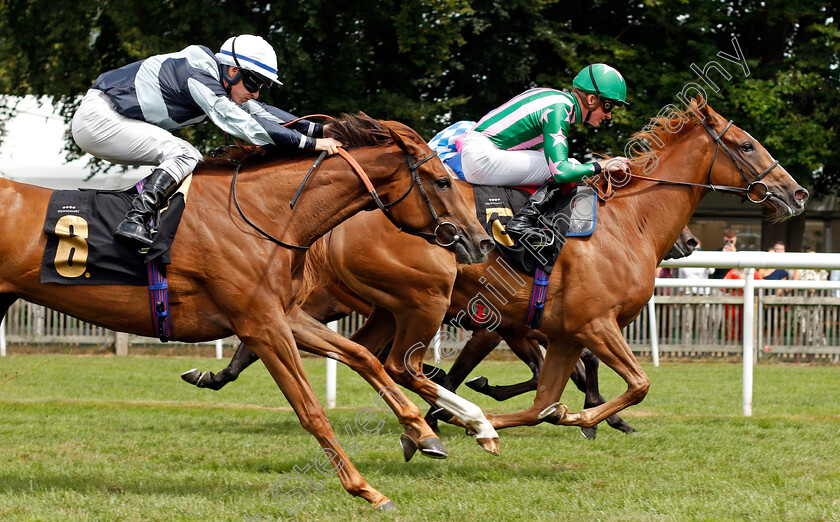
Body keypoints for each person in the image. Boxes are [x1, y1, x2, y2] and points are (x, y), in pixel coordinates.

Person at [72, 34, 342, 250]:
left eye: (261, 87)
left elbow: (263, 114)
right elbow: (241, 124)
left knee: (188, 157)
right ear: (233, 70)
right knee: (184, 154)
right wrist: (308, 144)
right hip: (98, 119)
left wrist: (321, 129)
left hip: (114, 117)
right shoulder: (198, 75)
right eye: (254, 83)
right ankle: (136, 218)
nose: (256, 93)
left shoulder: (217, 78)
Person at [459, 64, 631, 246]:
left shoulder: (556, 99)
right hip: (482, 156)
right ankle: (523, 221)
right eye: (608, 106)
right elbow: (562, 172)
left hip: (479, 153)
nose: (609, 115)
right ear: (591, 99)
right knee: (570, 165)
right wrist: (602, 165)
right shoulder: (559, 108)